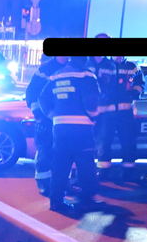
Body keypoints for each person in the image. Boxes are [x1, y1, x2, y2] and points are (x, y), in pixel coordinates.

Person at [44, 56, 101, 213]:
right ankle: (87, 200)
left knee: (60, 165)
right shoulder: (86, 75)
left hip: (60, 128)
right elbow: (91, 102)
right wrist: (94, 117)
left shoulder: (57, 75)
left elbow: (43, 99)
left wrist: (54, 117)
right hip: (81, 128)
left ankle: (56, 201)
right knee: (86, 163)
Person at [89, 37, 144, 181]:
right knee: (104, 141)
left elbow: (140, 84)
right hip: (107, 114)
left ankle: (128, 171)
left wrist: (133, 93)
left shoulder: (133, 67)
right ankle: (103, 171)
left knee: (128, 142)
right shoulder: (106, 65)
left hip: (125, 113)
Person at [25, 56, 63, 196]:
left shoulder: (70, 68)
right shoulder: (44, 70)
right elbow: (31, 93)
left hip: (63, 119)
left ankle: (62, 183)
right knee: (45, 151)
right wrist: (38, 115)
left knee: (63, 153)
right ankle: (44, 184)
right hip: (46, 119)